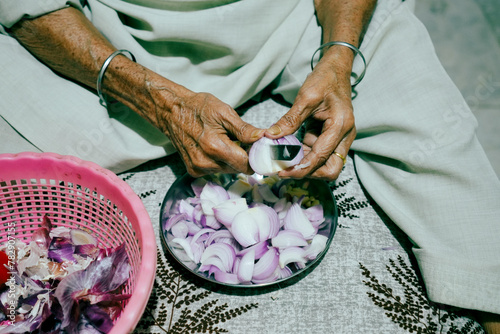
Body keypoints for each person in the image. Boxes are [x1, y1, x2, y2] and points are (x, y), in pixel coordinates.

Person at [1, 0, 499, 332]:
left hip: (291, 15)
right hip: (112, 29)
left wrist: (338, 58)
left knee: (440, 136)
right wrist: (156, 100)